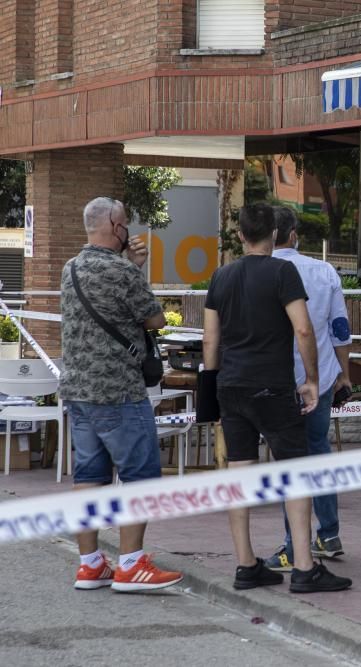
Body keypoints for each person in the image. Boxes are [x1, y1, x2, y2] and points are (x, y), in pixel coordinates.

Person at [202, 203, 351, 594]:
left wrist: (213, 387)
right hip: (273, 385)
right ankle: (303, 567)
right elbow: (303, 330)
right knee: (295, 474)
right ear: (275, 233)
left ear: (240, 236)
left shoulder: (221, 275)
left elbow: (210, 340)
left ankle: (245, 564)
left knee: (240, 475)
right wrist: (314, 379)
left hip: (231, 387)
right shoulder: (283, 271)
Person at [61, 196, 183, 592]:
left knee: (89, 477)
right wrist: (135, 270)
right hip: (119, 391)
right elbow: (156, 319)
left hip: (79, 390)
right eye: (125, 222)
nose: (128, 228)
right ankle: (131, 565)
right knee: (140, 475)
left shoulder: (70, 268)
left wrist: (129, 266)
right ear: (114, 226)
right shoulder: (121, 271)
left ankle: (90, 563)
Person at [262, 206, 353, 571]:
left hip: (278, 377)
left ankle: (291, 544)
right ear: (294, 233)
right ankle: (328, 534)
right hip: (323, 375)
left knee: (289, 461)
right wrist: (345, 374)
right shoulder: (325, 270)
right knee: (319, 452)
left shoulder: (263, 272)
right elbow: (340, 328)